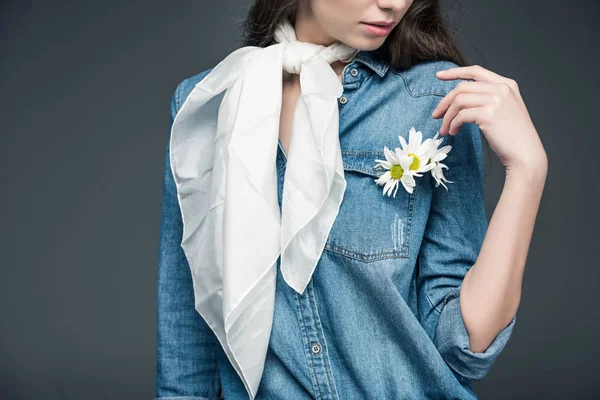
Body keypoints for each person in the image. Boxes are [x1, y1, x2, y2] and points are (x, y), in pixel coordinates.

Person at [155, 0, 548, 399]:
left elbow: (464, 345)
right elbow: (188, 350)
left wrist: (527, 173)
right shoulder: (209, 103)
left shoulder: (437, 100)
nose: (393, 3)